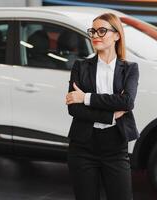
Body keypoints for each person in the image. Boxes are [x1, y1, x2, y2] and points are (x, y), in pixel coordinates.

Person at [65, 12, 140, 200]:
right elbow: (73, 108)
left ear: (117, 35)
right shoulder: (80, 66)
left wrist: (86, 97)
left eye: (102, 31)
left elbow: (126, 102)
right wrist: (110, 115)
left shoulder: (130, 68)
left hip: (115, 146)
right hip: (82, 147)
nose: (95, 36)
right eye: (93, 31)